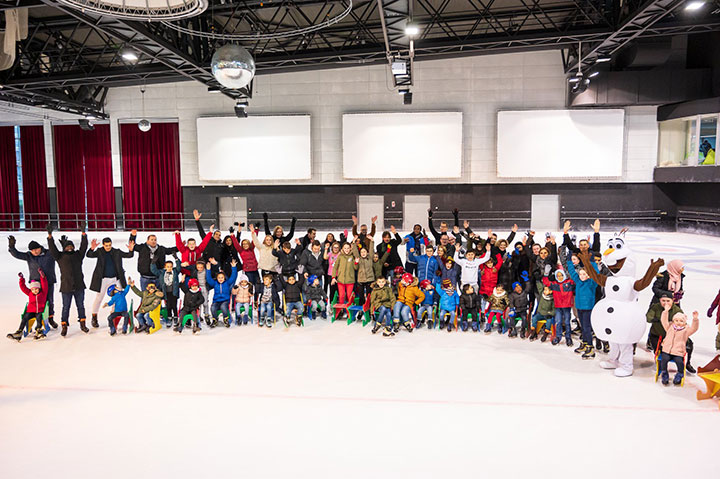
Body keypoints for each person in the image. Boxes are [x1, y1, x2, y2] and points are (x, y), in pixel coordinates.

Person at [8, 226, 58, 329]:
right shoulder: (29, 256)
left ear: (40, 247)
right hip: (35, 283)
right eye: (32, 250)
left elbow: (56, 251)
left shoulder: (49, 254)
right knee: (35, 301)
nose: (34, 252)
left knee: (49, 301)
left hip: (48, 281)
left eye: (36, 249)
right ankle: (36, 319)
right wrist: (12, 247)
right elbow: (17, 254)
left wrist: (51, 237)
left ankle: (50, 318)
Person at [86, 236, 134, 329]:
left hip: (115, 279)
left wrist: (131, 250)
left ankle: (114, 315)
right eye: (106, 245)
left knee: (119, 296)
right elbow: (89, 255)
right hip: (103, 279)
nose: (108, 247)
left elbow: (129, 255)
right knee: (99, 297)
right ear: (103, 245)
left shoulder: (116, 252)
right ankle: (94, 317)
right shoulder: (100, 252)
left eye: (109, 245)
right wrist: (92, 248)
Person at [48, 229, 89, 336]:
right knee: (66, 307)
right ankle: (64, 325)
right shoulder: (60, 256)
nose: (70, 248)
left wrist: (83, 234)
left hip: (79, 286)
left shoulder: (78, 255)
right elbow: (52, 249)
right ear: (64, 248)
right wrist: (50, 236)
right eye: (67, 246)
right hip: (66, 287)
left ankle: (83, 323)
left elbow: (84, 247)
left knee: (80, 305)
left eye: (71, 246)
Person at [561, 248, 599, 358]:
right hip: (580, 307)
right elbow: (572, 271)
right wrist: (568, 260)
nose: (582, 276)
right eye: (581, 274)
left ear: (588, 275)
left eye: (584, 274)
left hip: (588, 308)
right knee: (583, 327)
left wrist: (591, 261)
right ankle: (585, 343)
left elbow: (595, 273)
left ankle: (590, 348)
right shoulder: (578, 281)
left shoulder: (592, 283)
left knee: (587, 328)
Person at [658, 306, 699, 386]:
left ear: (684, 322)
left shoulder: (686, 331)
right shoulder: (669, 327)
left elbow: (694, 328)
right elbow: (663, 320)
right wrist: (666, 311)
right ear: (673, 321)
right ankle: (664, 372)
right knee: (664, 360)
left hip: (678, 352)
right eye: (676, 320)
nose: (678, 322)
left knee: (679, 362)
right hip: (667, 350)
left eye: (681, 321)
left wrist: (695, 319)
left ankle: (680, 373)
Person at [7, 269, 48, 341]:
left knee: (39, 317)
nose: (34, 291)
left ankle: (38, 330)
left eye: (36, 289)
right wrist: (21, 279)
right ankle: (19, 331)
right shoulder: (30, 293)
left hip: (40, 311)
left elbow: (45, 285)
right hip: (31, 311)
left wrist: (42, 276)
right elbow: (23, 288)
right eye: (33, 289)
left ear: (39, 289)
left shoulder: (43, 293)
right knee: (25, 318)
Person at [545, 269, 575, 346]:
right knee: (558, 322)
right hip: (558, 306)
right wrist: (546, 274)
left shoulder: (569, 283)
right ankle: (558, 337)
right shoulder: (554, 284)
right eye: (558, 276)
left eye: (561, 275)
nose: (560, 277)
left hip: (567, 306)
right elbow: (546, 282)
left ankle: (568, 337)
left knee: (567, 322)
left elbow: (576, 280)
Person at [206, 260, 238, 327]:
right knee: (213, 308)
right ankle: (215, 320)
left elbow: (233, 277)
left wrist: (234, 267)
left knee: (223, 307)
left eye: (222, 278)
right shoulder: (215, 284)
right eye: (219, 278)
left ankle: (226, 319)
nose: (220, 279)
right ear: (217, 278)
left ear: (224, 278)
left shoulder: (227, 283)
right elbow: (209, 279)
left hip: (225, 301)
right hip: (216, 301)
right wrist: (208, 270)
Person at [151, 259, 182, 327]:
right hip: (166, 292)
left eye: (171, 266)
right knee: (168, 305)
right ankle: (169, 317)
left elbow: (179, 267)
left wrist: (177, 259)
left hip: (174, 292)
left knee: (174, 305)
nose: (169, 268)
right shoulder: (162, 272)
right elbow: (154, 271)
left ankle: (176, 317)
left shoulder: (175, 271)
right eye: (168, 266)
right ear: (165, 267)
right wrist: (153, 263)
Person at [231, 224, 260, 290]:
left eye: (246, 244)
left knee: (257, 284)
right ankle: (250, 297)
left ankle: (256, 299)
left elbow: (254, 240)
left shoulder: (251, 249)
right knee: (250, 285)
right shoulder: (241, 251)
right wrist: (232, 235)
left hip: (255, 269)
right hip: (247, 270)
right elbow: (235, 243)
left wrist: (256, 230)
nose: (245, 245)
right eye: (243, 244)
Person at [331, 242, 357, 306]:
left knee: (349, 296)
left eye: (348, 248)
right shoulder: (340, 256)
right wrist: (333, 277)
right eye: (345, 248)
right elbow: (335, 267)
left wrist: (356, 263)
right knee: (341, 296)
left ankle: (349, 311)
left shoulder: (352, 256)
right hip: (340, 280)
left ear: (350, 249)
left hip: (350, 280)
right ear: (342, 248)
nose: (346, 250)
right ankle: (340, 311)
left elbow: (356, 268)